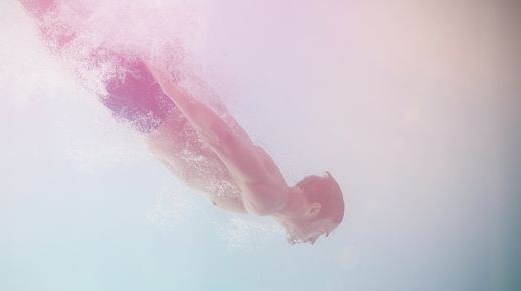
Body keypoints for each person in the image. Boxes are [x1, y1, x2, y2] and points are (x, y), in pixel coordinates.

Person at [19, 0, 344, 244]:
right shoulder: (268, 199)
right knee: (56, 26)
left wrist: (174, 70)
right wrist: (169, 86)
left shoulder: (273, 182)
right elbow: (222, 137)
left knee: (66, 20)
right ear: (313, 211)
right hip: (150, 105)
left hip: (152, 106)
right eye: (322, 233)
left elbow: (224, 125)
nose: (313, 241)